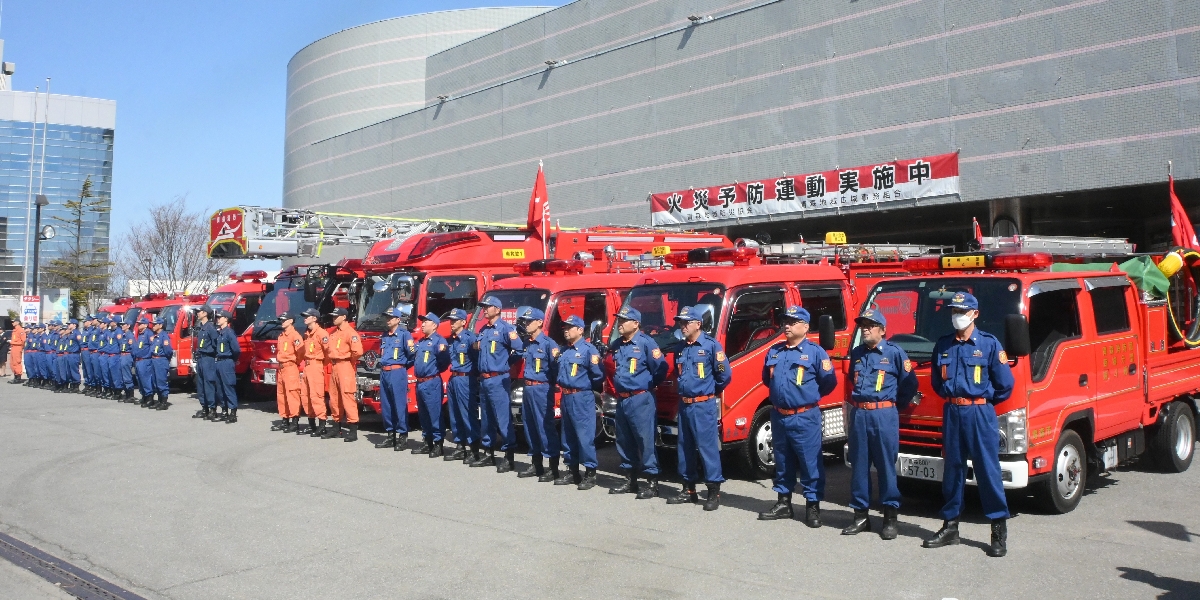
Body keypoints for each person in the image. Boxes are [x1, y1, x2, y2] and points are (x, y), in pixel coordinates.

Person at [923, 292, 1014, 558]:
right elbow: (937, 384)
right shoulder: (943, 345)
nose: (956, 316)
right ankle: (950, 526)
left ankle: (998, 528)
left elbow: (1005, 385)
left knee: (987, 470)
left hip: (979, 413)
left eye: (961, 311)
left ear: (975, 314)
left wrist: (980, 401)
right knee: (952, 470)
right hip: (952, 411)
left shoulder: (989, 344)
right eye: (953, 311)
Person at [757, 306, 838, 528]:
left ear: (805, 326)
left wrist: (807, 398)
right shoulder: (774, 352)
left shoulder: (815, 352)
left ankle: (812, 506)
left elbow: (829, 382)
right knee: (782, 460)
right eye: (786, 321)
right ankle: (784, 502)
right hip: (779, 416)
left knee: (810, 462)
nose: (787, 325)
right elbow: (768, 380)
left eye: (793, 321)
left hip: (804, 416)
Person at [843, 306, 918, 539]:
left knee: (886, 466)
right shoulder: (857, 354)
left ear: (882, 330)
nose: (865, 330)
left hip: (883, 415)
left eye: (870, 326)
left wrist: (893, 407)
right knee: (859, 466)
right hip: (860, 414)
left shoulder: (894, 353)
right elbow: (851, 381)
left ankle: (889, 517)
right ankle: (860, 516)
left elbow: (909, 385)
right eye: (862, 327)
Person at [668, 305, 731, 511]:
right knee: (684, 446)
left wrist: (707, 391)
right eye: (680, 322)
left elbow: (724, 376)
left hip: (703, 404)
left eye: (686, 322)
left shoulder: (712, 347)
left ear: (698, 324)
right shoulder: (680, 348)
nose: (682, 326)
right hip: (684, 405)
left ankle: (713, 490)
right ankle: (688, 489)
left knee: (707, 447)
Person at [608, 306, 668, 499]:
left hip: (640, 398)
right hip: (622, 399)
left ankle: (652, 482)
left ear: (636, 323)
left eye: (624, 320)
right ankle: (630, 479)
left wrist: (649, 385)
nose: (620, 323)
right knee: (624, 440)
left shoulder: (646, 343)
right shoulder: (617, 344)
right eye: (619, 320)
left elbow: (661, 368)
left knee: (645, 440)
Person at [470, 296, 523, 472]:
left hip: (499, 378)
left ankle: (509, 456)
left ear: (498, 310)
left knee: (503, 418)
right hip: (484, 379)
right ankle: (488, 453)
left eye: (488, 307)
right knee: (486, 418)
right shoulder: (484, 330)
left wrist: (506, 364)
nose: (485, 310)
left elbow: (519, 349)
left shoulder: (506, 329)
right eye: (484, 307)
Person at [553, 315, 605, 490]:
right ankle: (572, 470)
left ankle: (590, 472)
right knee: (567, 435)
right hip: (566, 396)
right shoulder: (564, 351)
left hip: (581, 396)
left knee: (584, 436)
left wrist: (583, 386)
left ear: (580, 330)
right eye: (565, 327)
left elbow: (597, 375)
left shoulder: (589, 351)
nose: (566, 330)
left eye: (570, 327)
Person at [515, 306, 561, 481]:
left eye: (529, 321)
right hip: (528, 387)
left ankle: (553, 466)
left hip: (542, 388)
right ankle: (536, 463)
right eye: (525, 321)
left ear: (539, 322)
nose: (526, 324)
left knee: (544, 426)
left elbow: (556, 368)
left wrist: (552, 386)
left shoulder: (549, 344)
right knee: (530, 425)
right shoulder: (527, 343)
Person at [374, 305, 415, 450]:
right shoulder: (385, 336)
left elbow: (412, 355)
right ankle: (390, 435)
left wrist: (401, 367)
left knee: (399, 404)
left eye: (391, 318)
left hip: (397, 372)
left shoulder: (404, 335)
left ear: (398, 319)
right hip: (384, 372)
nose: (388, 320)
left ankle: (402, 435)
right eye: (387, 317)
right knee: (386, 404)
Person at [443, 308, 479, 463]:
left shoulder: (470, 339)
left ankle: (474, 448)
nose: (451, 323)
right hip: (454, 378)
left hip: (466, 379)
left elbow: (478, 360)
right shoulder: (450, 340)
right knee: (454, 413)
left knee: (467, 413)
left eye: (455, 320)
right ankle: (460, 445)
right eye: (450, 320)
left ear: (463, 322)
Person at [322, 307, 363, 441]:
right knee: (334, 398)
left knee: (347, 397)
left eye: (336, 316)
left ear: (344, 317)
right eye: (333, 316)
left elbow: (358, 352)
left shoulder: (350, 333)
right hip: (334, 367)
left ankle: (352, 428)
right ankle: (336, 427)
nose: (333, 318)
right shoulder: (334, 333)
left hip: (345, 366)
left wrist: (346, 358)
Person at [413, 313, 450, 457]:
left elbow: (444, 362)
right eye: (422, 322)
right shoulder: (421, 342)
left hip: (432, 381)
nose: (422, 324)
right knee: (423, 414)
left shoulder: (439, 342)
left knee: (435, 413)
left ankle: (438, 444)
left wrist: (433, 373)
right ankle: (427, 441)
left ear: (434, 325)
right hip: (420, 382)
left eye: (426, 322)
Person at [271, 312, 305, 432]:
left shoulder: (295, 336)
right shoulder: (282, 335)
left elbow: (301, 352)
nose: (282, 322)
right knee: (281, 394)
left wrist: (295, 362)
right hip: (281, 368)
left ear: (291, 321)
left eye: (284, 320)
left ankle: (294, 421)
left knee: (292, 393)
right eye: (281, 320)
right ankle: (284, 419)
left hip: (290, 367)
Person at [299, 308, 329, 436]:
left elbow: (328, 352)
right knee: (305, 396)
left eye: (307, 316)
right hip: (307, 366)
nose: (305, 318)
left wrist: (320, 364)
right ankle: (312, 424)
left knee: (316, 395)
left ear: (315, 318)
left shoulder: (322, 333)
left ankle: (322, 424)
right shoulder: (307, 334)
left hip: (316, 365)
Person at [212, 309, 242, 423]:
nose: (218, 319)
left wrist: (231, 360)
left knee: (228, 387)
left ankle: (232, 412)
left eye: (220, 317)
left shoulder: (229, 333)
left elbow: (236, 350)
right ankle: (224, 411)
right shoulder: (220, 333)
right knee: (219, 388)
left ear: (226, 319)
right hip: (219, 362)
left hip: (227, 361)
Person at [192, 306, 218, 419]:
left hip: (208, 358)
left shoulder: (210, 328)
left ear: (205, 313)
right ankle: (205, 408)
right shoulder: (201, 328)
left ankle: (212, 409)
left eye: (200, 312)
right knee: (201, 384)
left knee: (209, 384)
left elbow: (215, 343)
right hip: (201, 358)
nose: (198, 314)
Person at [148, 316, 174, 409]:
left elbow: (168, 351)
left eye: (155, 324)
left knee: (161, 381)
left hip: (161, 360)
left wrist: (165, 360)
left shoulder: (164, 336)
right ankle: (159, 400)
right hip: (154, 360)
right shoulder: (155, 336)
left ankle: (164, 402)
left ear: (161, 325)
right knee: (155, 381)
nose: (153, 326)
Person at [131, 316, 156, 405]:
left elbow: (152, 346)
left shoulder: (148, 333)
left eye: (140, 324)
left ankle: (149, 397)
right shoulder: (140, 334)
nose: (138, 325)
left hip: (145, 360)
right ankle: (144, 396)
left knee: (146, 379)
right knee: (140, 379)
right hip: (138, 360)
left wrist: (148, 356)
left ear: (145, 325)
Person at [114, 318, 136, 402]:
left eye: (124, 324)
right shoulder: (123, 335)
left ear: (128, 326)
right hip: (122, 355)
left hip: (127, 355)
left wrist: (131, 358)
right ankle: (126, 394)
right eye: (122, 324)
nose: (122, 326)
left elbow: (132, 348)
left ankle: (130, 395)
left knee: (127, 376)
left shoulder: (129, 335)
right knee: (123, 375)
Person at [62, 320, 83, 393]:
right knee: (68, 371)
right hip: (68, 354)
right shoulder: (69, 333)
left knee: (74, 370)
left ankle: (76, 385)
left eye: (69, 324)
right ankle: (71, 384)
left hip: (74, 354)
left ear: (74, 325)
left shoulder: (76, 333)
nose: (68, 325)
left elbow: (80, 344)